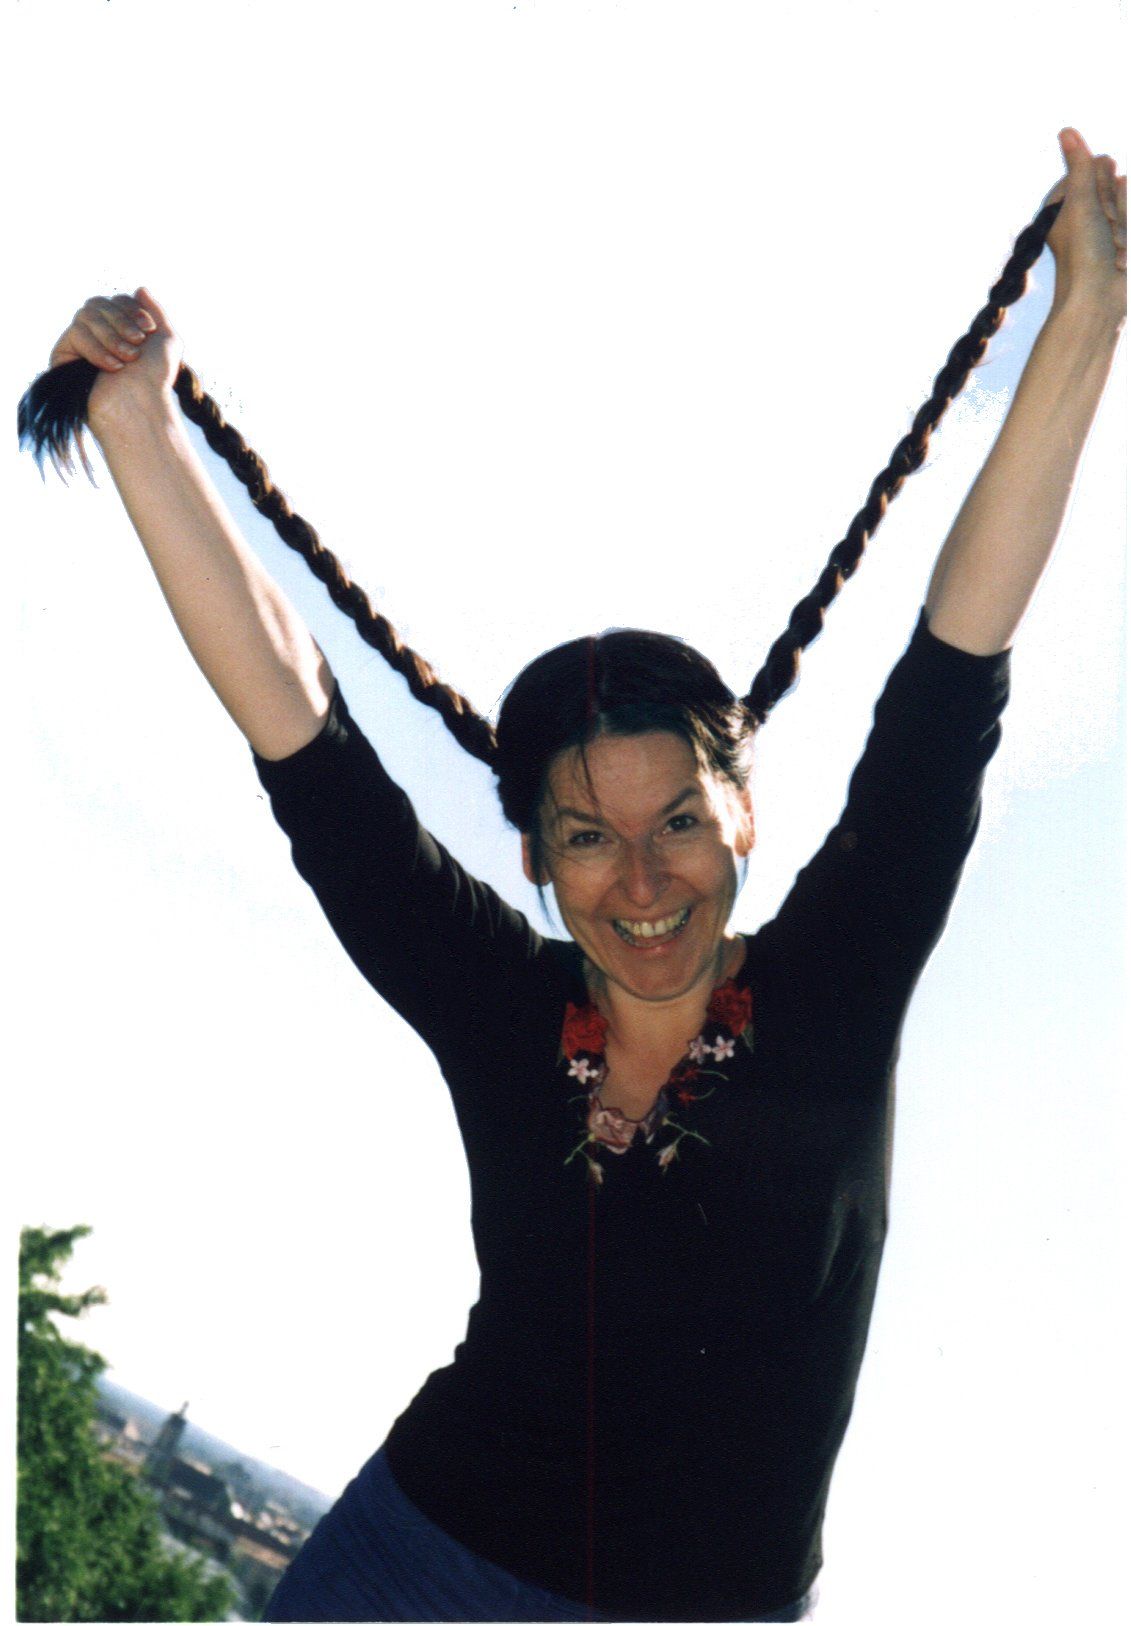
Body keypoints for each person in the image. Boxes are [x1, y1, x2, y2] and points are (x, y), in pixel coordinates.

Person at [35, 128, 1124, 1623]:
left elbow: (958, 654)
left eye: (678, 820)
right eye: (589, 837)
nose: (642, 880)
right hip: (412, 1573)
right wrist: (137, 425)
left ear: (744, 818)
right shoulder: (497, 997)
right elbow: (298, 721)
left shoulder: (836, 982)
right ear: (537, 862)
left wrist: (1087, 315)